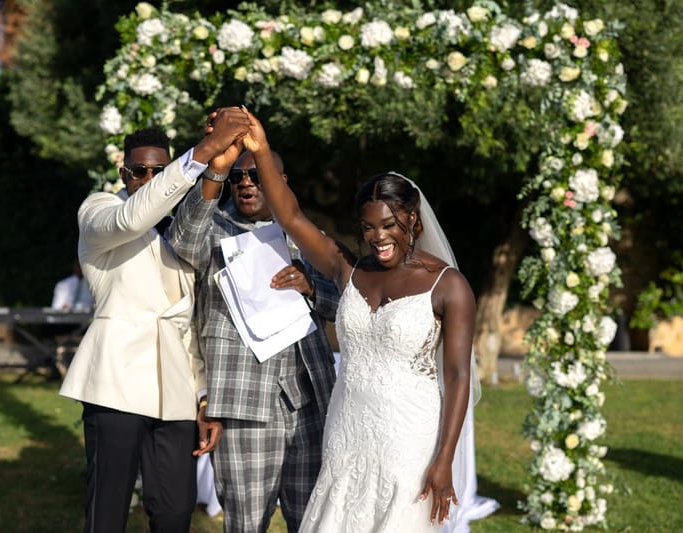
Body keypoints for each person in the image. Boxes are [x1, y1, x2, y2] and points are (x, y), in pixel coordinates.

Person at [239, 113, 483, 532]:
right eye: (368, 228)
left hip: (409, 434)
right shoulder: (347, 269)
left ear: (412, 219)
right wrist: (261, 151)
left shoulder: (449, 286)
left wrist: (444, 460)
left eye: (389, 225)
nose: (378, 237)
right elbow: (292, 217)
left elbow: (459, 376)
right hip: (347, 427)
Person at [59, 112, 249, 533]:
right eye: (139, 171)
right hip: (116, 383)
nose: (148, 179)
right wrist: (200, 153)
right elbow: (132, 218)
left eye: (158, 171)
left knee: (174, 511)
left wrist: (202, 397)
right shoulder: (100, 210)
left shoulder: (185, 231)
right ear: (122, 172)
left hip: (176, 391)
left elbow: (187, 322)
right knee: (107, 511)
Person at [168, 130, 339, 532]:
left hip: (309, 404)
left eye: (257, 175)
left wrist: (311, 286)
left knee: (313, 520)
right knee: (245, 524)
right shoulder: (212, 231)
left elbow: (344, 306)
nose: (247, 183)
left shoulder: (308, 238)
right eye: (239, 177)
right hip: (243, 406)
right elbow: (181, 240)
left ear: (280, 181)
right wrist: (217, 170)